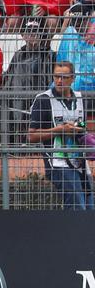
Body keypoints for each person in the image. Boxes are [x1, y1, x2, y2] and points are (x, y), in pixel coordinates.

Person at [28, 61, 94, 209]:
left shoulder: (80, 98)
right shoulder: (43, 100)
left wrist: (78, 129)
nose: (59, 81)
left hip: (79, 161)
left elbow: (83, 125)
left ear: (73, 78)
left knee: (90, 206)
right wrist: (59, 130)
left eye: (64, 77)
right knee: (78, 207)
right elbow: (31, 136)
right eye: (56, 76)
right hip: (57, 163)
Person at [3, 16, 56, 142]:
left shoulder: (49, 55)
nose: (33, 35)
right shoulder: (18, 55)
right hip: (20, 95)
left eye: (36, 32)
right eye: (29, 32)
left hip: (42, 94)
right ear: (24, 35)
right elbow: (9, 79)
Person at [56, 3, 95, 92]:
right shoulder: (70, 33)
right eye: (75, 21)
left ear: (89, 19)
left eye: (81, 21)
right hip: (70, 85)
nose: (77, 25)